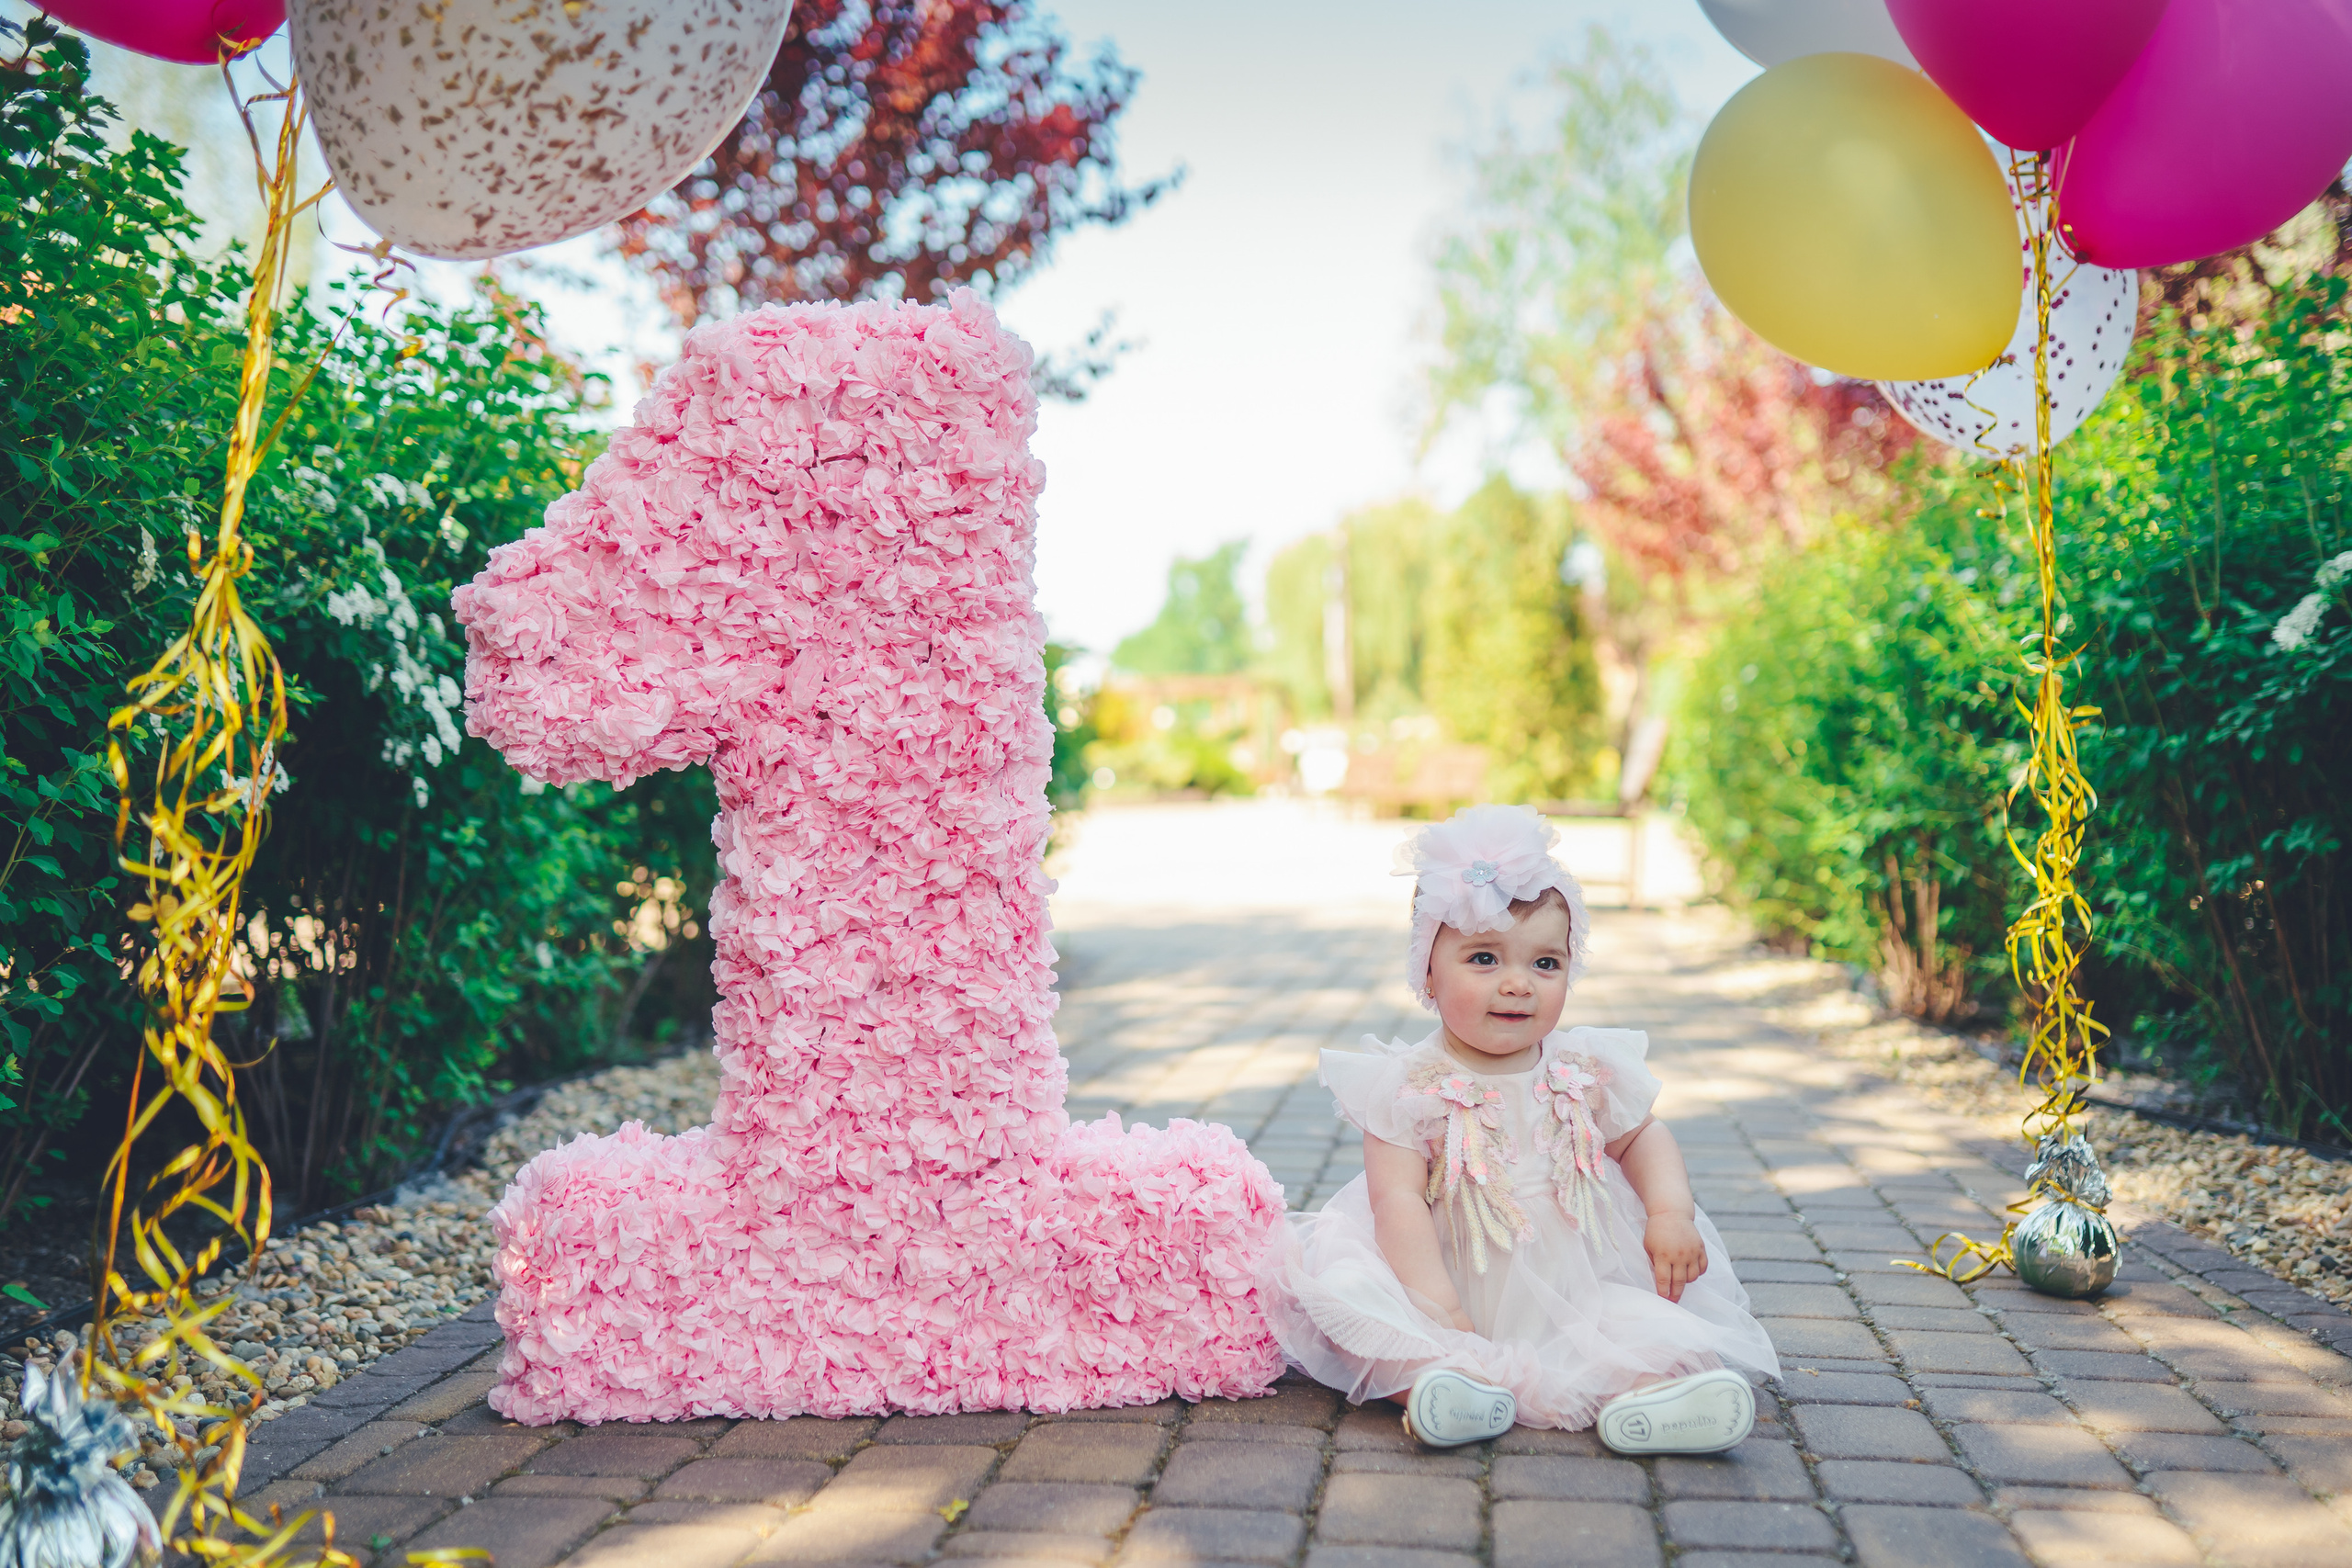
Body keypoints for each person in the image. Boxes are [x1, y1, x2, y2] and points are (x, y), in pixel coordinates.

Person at [1260, 805, 1779, 1450]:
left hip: (1577, 1277)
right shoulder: (1408, 1084)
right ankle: (1447, 1387)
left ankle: (1652, 1401)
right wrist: (1439, 1307)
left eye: (1545, 964)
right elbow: (1394, 1200)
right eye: (1483, 958)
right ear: (1427, 970)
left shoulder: (1583, 1068)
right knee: (1359, 1308)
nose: (1517, 984)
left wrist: (1669, 1210)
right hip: (1439, 1269)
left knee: (1632, 1332)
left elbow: (1643, 1136)